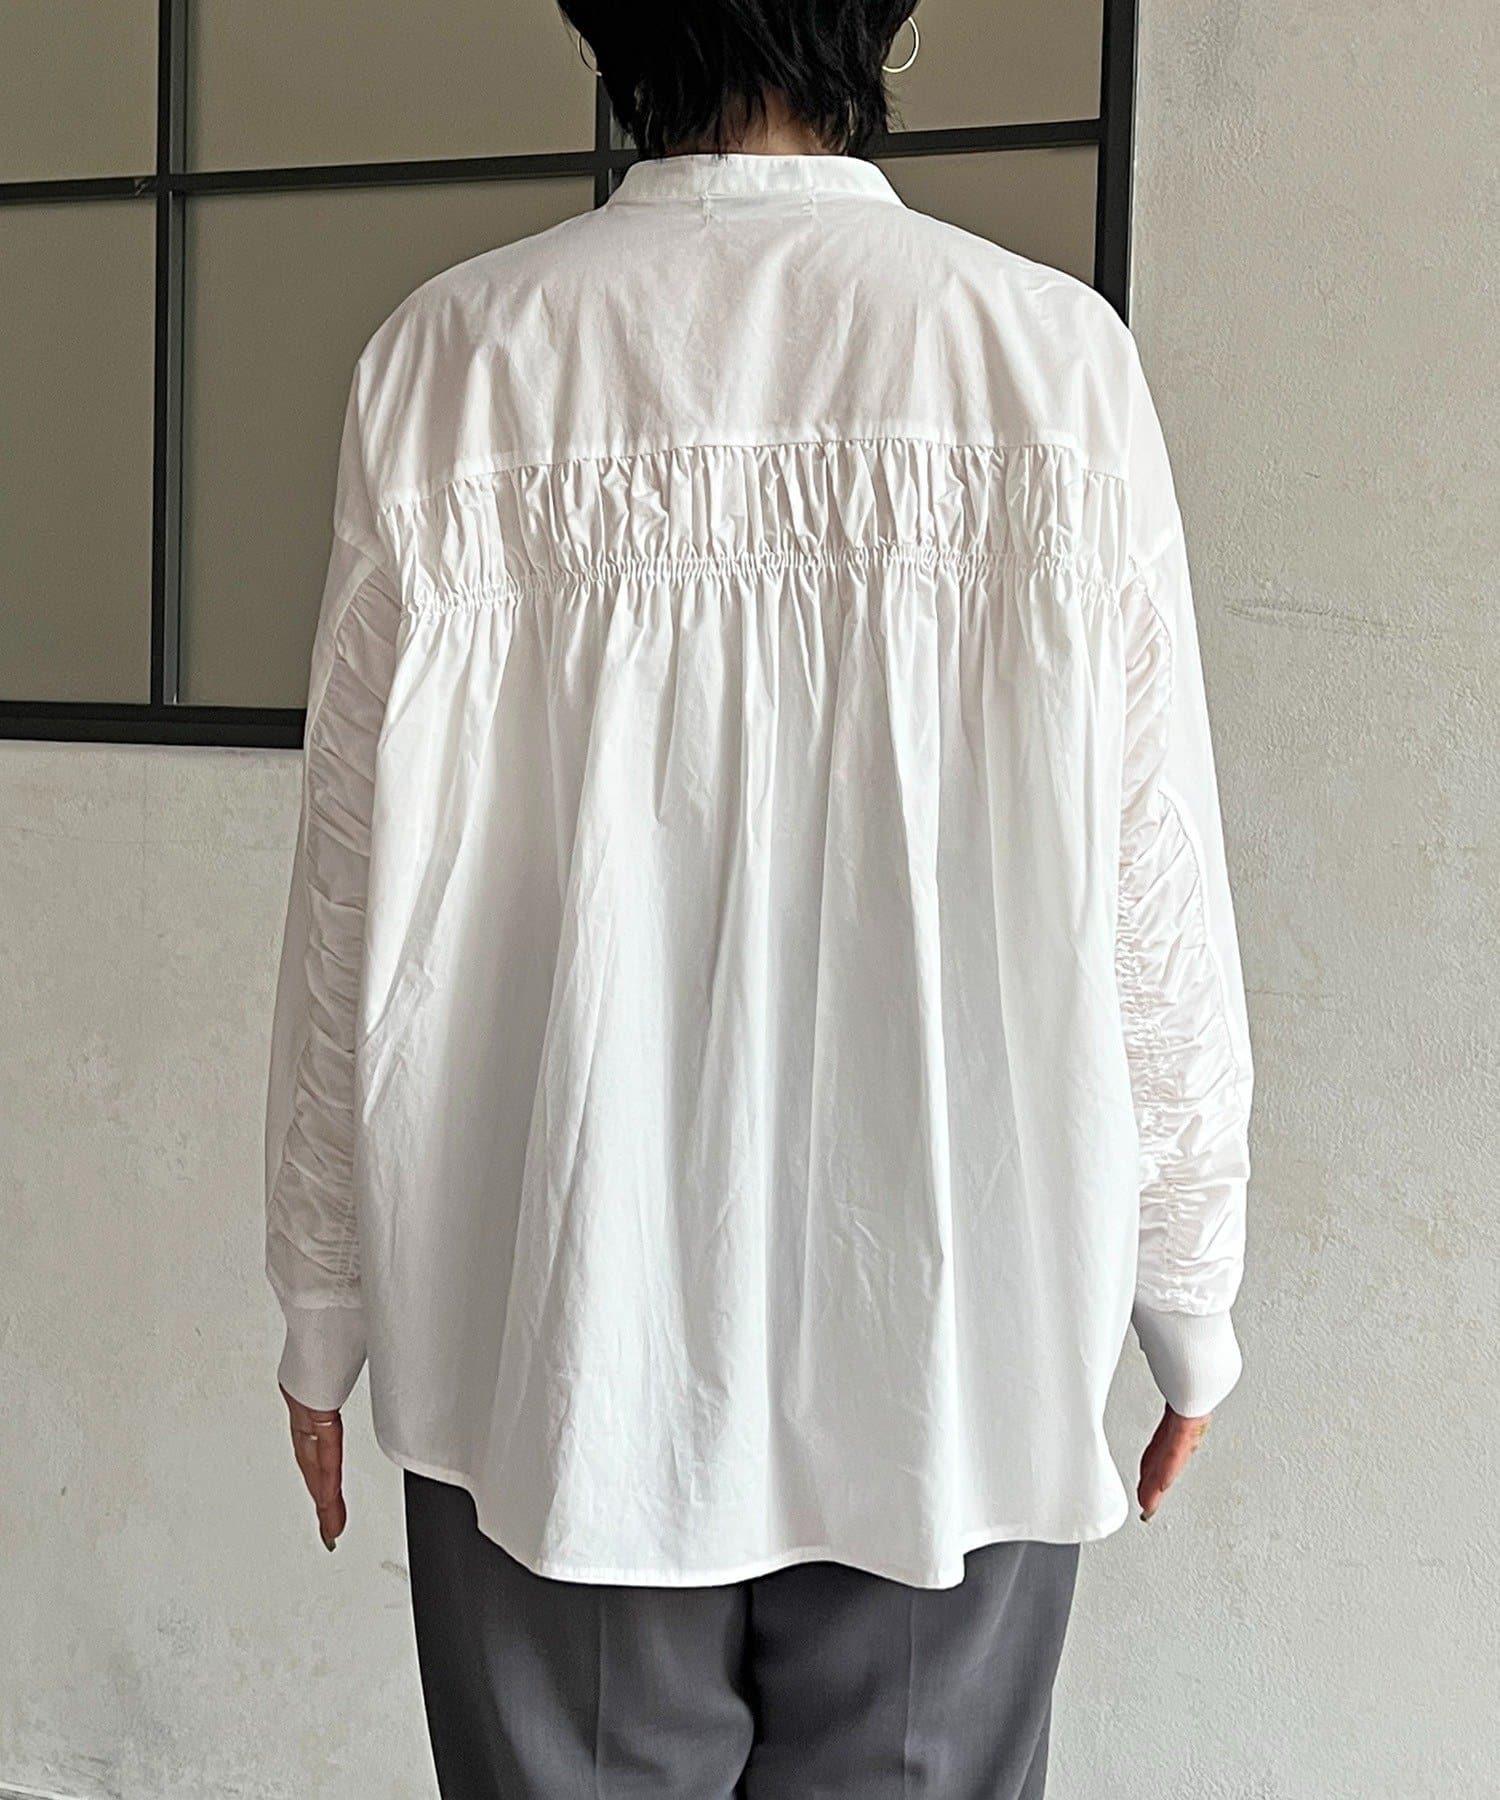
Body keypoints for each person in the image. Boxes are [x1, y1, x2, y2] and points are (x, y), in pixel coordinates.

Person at [265, 3, 1254, 1793]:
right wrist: (1189, 1290)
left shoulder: (455, 364)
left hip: (554, 1318)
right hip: (952, 1322)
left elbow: (349, 884)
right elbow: (1154, 873)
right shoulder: (1047, 363)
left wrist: (324, 1297)